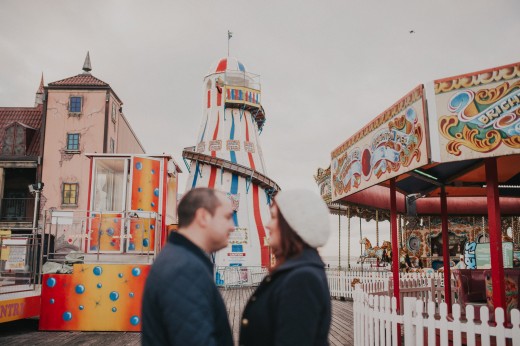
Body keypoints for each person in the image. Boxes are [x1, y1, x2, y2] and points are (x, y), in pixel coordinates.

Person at [142, 188, 235, 346]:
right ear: (203, 216)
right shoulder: (184, 269)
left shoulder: (177, 258)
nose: (232, 226)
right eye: (227, 217)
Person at [239, 189, 331, 346]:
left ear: (293, 224)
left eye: (274, 217)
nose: (268, 225)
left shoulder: (302, 280)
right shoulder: (298, 272)